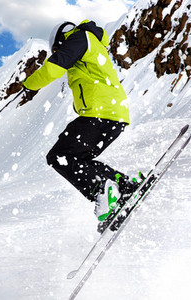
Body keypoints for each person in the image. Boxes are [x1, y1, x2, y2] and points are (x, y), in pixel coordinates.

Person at [22, 20, 139, 224]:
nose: (59, 52)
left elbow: (53, 68)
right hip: (115, 115)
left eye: (58, 49)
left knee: (59, 156)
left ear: (61, 39)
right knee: (80, 159)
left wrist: (29, 85)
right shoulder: (92, 43)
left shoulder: (80, 38)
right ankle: (123, 185)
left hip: (100, 113)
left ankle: (102, 190)